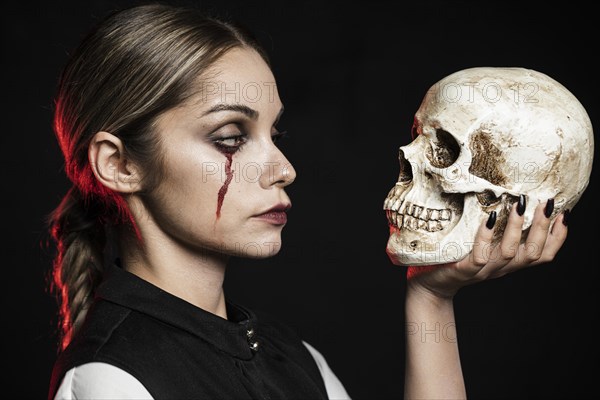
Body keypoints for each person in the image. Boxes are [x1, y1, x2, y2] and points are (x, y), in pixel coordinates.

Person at [45, 3, 569, 400]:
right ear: (119, 164)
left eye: (276, 133)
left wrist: (431, 296)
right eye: (230, 137)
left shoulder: (294, 358)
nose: (283, 168)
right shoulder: (111, 381)